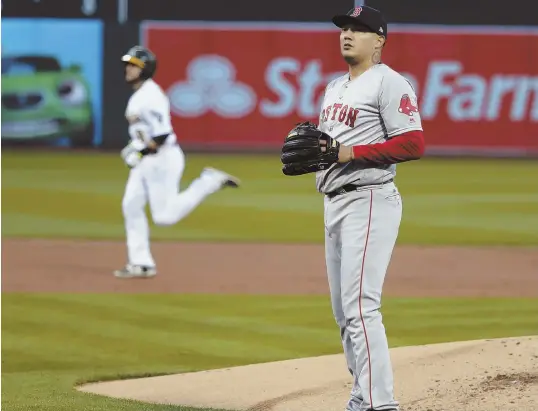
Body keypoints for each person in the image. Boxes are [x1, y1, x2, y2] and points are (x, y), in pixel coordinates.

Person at [319, 7, 425, 411]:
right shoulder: (333, 88)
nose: (348, 34)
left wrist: (350, 151)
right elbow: (330, 148)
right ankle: (362, 396)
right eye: (344, 28)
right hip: (334, 201)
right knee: (343, 313)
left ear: (379, 40)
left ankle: (382, 404)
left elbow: (413, 144)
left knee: (362, 306)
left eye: (359, 30)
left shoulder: (390, 83)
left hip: (369, 198)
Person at [114, 45, 240, 279]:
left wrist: (139, 153)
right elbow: (144, 133)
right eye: (128, 65)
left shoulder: (151, 96)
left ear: (145, 69)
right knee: (131, 205)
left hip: (162, 159)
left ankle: (209, 181)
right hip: (147, 160)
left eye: (134, 65)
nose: (128, 69)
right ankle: (141, 263)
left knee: (164, 217)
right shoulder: (140, 95)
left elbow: (161, 135)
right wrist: (135, 147)